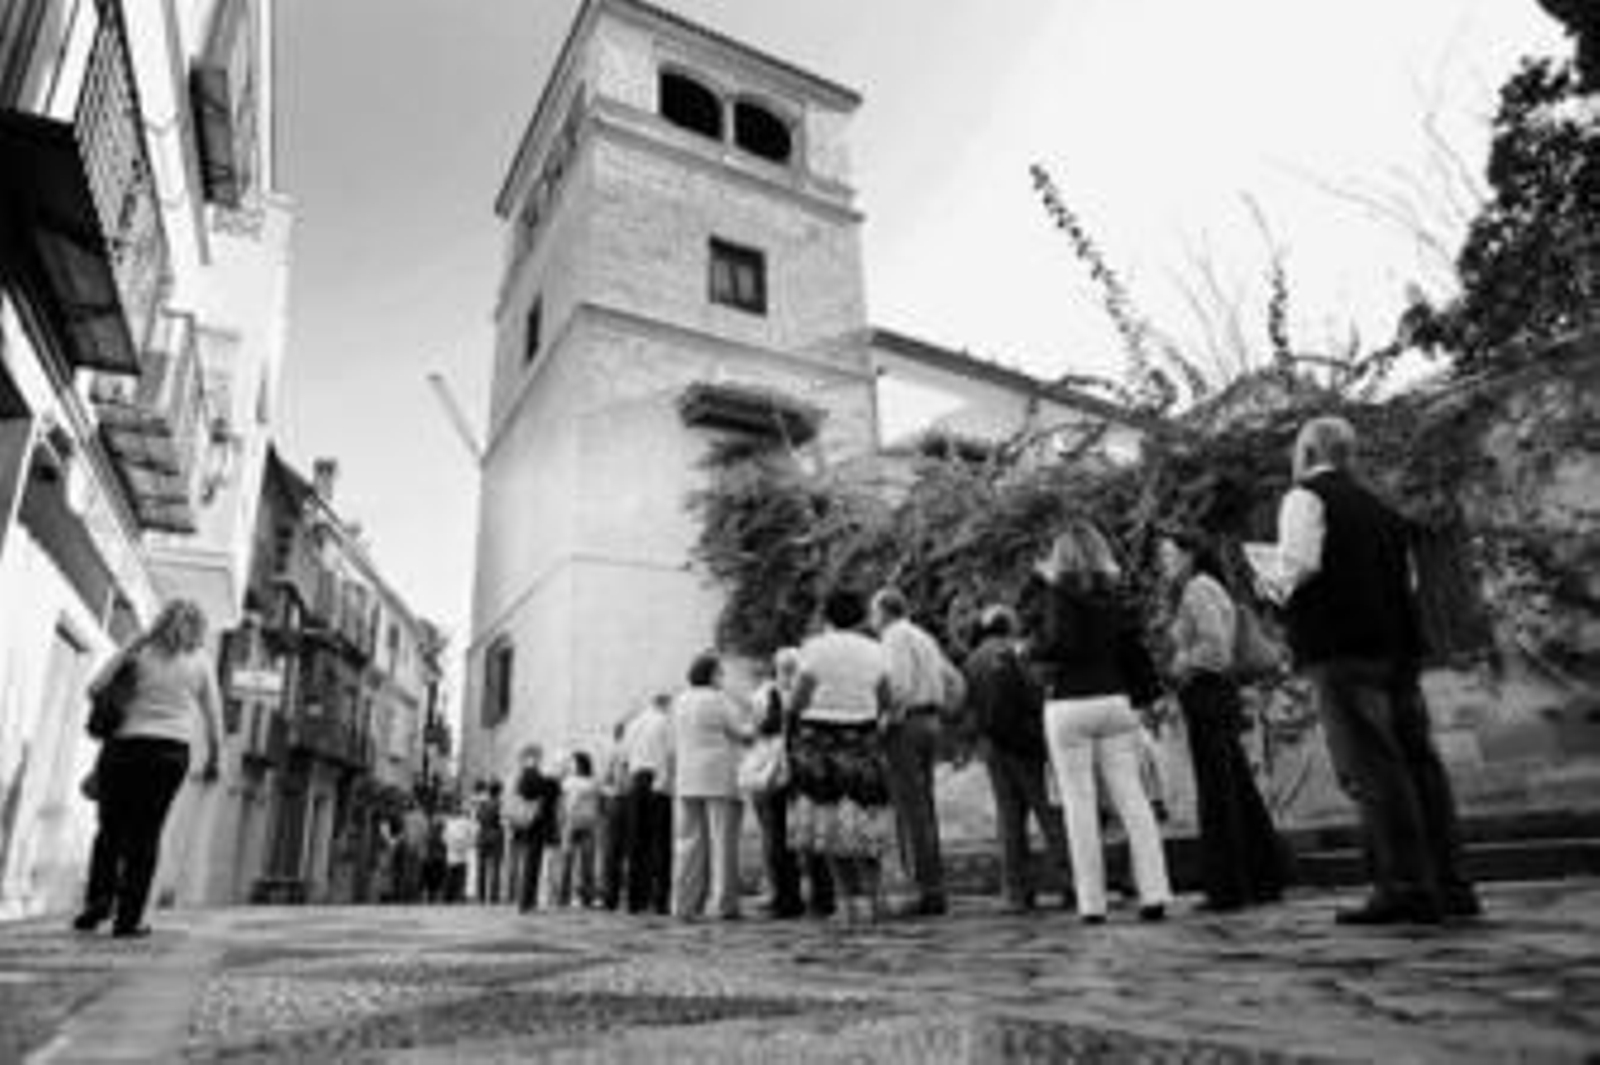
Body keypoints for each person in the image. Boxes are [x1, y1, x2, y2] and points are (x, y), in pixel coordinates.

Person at [1256, 416, 1479, 925]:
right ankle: (1451, 883)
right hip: (1397, 649)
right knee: (1420, 765)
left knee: (1373, 767)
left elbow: (1298, 567)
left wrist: (1266, 584)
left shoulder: (1305, 498)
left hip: (1340, 649)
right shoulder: (1382, 509)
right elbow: (1410, 582)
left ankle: (1403, 886)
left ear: (1309, 451)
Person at [1023, 520, 1173, 924]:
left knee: (1079, 805)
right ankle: (1155, 893)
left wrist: (1030, 647)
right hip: (1115, 701)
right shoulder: (1115, 595)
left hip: (1070, 703)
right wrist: (1148, 698)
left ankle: (1093, 904)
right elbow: (1134, 650)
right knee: (1133, 800)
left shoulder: (1057, 594)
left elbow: (1059, 644)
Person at [74, 599, 223, 937]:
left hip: (125, 746)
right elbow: (214, 719)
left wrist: (132, 650)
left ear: (161, 620)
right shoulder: (200, 661)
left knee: (110, 828)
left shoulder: (139, 649)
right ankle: (129, 919)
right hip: (169, 753)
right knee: (146, 833)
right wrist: (215, 758)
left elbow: (95, 688)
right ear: (199, 629)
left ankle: (98, 900)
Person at [1158, 530, 1286, 912]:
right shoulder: (1205, 586)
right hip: (1216, 695)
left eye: (1168, 555)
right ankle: (1261, 879)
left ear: (1189, 555)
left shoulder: (1198, 588)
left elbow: (1215, 647)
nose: (1164, 563)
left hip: (1208, 693)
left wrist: (1182, 663)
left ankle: (1228, 888)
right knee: (1237, 789)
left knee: (1218, 793)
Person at [788, 588, 896, 926]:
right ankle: (876, 899)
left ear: (826, 615)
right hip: (862, 737)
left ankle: (846, 903)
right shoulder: (875, 650)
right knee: (866, 819)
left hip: (818, 739)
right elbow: (885, 698)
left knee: (828, 822)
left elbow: (797, 700)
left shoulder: (813, 649)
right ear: (862, 616)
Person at [963, 604, 1073, 913]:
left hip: (993, 747)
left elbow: (967, 704)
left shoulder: (972, 660)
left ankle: (1016, 892)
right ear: (1008, 625)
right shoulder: (1016, 652)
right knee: (1049, 814)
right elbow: (1034, 694)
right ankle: (1071, 883)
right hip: (1026, 744)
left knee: (1010, 821)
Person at [871, 587, 962, 918]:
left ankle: (923, 891)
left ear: (884, 612)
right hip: (931, 721)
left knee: (910, 809)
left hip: (906, 725)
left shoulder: (894, 636)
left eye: (874, 612)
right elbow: (955, 681)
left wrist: (882, 719)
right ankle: (934, 887)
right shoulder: (923, 636)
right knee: (925, 807)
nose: (871, 619)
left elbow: (898, 684)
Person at [669, 652, 755, 920]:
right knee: (722, 843)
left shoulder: (679, 701)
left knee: (688, 844)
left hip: (687, 778)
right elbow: (741, 732)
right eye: (720, 673)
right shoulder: (719, 700)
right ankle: (722, 904)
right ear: (711, 675)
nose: (723, 678)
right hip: (718, 776)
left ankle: (684, 903)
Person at [747, 649, 806, 919]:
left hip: (771, 772)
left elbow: (759, 729)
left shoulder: (764, 694)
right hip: (799, 771)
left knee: (774, 836)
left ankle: (782, 897)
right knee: (796, 836)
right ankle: (801, 896)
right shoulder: (807, 694)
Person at [621, 694, 674, 914]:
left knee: (637, 841)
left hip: (636, 780)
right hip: (657, 780)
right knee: (660, 841)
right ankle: (660, 900)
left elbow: (625, 757)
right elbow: (671, 754)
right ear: (665, 705)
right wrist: (668, 781)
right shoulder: (665, 721)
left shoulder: (633, 724)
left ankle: (635, 900)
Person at [512, 745, 562, 912]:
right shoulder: (530, 774)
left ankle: (528, 901)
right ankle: (527, 902)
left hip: (530, 823)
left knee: (532, 862)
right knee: (532, 863)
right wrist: (553, 782)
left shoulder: (525, 774)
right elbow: (544, 790)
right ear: (532, 757)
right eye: (538, 755)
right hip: (535, 823)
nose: (540, 759)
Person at [557, 751, 602, 907]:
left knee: (567, 862)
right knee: (587, 863)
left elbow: (562, 804)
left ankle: (563, 897)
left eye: (573, 762)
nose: (571, 765)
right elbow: (598, 804)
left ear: (579, 764)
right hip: (588, 823)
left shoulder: (568, 782)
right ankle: (586, 898)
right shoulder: (594, 782)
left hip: (572, 823)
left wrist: (561, 820)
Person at [598, 720, 632, 910]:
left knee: (612, 850)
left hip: (616, 800)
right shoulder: (628, 749)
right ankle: (623, 894)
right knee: (628, 849)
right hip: (626, 800)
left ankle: (610, 896)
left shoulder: (612, 750)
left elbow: (604, 779)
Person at [475, 781, 507, 904]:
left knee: (481, 867)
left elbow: (478, 817)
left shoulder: (482, 804)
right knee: (495, 867)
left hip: (482, 835)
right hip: (496, 835)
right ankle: (494, 896)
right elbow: (503, 819)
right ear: (499, 792)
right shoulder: (499, 804)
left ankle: (481, 896)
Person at [443, 801, 476, 903]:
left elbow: (444, 837)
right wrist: (465, 844)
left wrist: (453, 844)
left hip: (455, 855)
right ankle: (455, 896)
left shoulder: (453, 823)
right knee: (457, 877)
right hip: (458, 855)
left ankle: (452, 897)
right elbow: (472, 837)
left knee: (454, 877)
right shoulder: (463, 823)